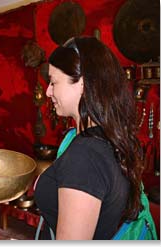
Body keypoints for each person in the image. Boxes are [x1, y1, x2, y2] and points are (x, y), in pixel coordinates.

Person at [34, 36, 144, 239]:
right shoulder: (108, 136)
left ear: (83, 85)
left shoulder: (85, 157)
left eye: (53, 82)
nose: (48, 91)